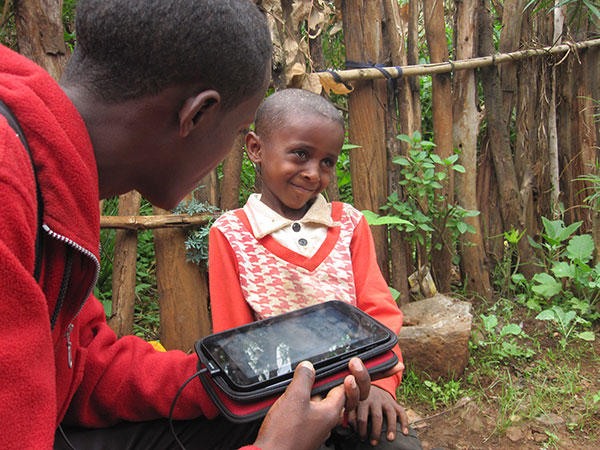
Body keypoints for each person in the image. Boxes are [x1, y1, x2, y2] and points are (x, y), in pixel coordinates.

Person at [0, 1, 402, 449]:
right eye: (235, 134)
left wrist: (217, 381)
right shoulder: (8, 188)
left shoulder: (46, 174)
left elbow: (82, 365)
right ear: (197, 115)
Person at [208, 89, 423, 450]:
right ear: (256, 149)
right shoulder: (231, 234)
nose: (314, 173)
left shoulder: (349, 224)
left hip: (358, 393)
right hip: (280, 406)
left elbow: (379, 313)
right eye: (301, 154)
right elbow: (234, 339)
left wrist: (381, 384)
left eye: (327, 162)